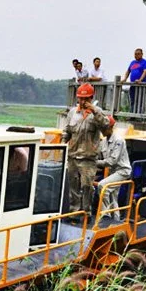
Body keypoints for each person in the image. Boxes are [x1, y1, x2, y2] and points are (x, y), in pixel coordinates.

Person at [61, 83, 110, 217]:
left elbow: (106, 125)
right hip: (73, 156)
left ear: (91, 98)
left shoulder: (97, 113)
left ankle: (86, 212)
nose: (83, 102)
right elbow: (67, 131)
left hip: (88, 158)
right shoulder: (72, 113)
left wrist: (94, 110)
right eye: (80, 99)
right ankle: (74, 212)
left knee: (86, 186)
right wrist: (62, 142)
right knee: (73, 186)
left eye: (86, 99)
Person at [96, 116, 131, 222]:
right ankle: (116, 220)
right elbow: (99, 155)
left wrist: (95, 163)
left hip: (122, 171)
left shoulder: (119, 140)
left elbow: (112, 161)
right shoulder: (104, 141)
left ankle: (106, 215)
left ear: (111, 127)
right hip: (113, 171)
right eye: (101, 128)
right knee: (113, 196)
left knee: (103, 186)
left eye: (104, 128)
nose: (102, 131)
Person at [123, 48, 146, 114]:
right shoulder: (132, 62)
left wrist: (140, 80)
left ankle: (139, 115)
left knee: (140, 101)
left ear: (141, 54)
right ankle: (132, 115)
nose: (136, 55)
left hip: (141, 85)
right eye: (135, 54)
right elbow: (128, 71)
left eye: (138, 54)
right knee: (132, 100)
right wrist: (125, 79)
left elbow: (145, 71)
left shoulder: (145, 62)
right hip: (133, 85)